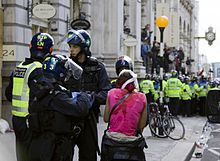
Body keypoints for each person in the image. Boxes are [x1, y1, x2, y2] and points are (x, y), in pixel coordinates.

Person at [28, 55, 93, 161]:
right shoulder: (56, 95)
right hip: (54, 149)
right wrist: (86, 96)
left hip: (41, 146)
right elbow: (81, 109)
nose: (67, 72)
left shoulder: (40, 88)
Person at [5, 33, 54, 161]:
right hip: (32, 121)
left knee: (21, 155)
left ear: (30, 47)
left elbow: (9, 95)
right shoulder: (39, 70)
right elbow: (40, 99)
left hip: (17, 120)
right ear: (49, 50)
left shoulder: (19, 68)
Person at [64, 29, 112, 161]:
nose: (71, 50)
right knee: (63, 155)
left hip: (88, 119)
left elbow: (107, 92)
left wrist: (91, 98)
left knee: (89, 156)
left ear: (84, 47)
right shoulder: (65, 66)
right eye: (70, 47)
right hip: (68, 119)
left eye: (75, 46)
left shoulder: (97, 67)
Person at [103, 69, 147, 161]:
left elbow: (106, 119)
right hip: (131, 143)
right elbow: (141, 125)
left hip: (112, 141)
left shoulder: (111, 93)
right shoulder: (142, 97)